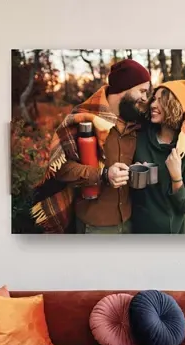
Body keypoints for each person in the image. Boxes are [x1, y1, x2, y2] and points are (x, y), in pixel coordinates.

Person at [29, 59, 151, 233]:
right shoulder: (83, 120)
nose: (145, 98)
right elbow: (61, 170)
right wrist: (104, 175)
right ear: (125, 87)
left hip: (129, 222)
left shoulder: (136, 123)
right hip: (95, 226)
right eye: (142, 91)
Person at [131, 79, 185, 234]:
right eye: (154, 99)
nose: (152, 105)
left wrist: (176, 177)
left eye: (161, 101)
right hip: (138, 229)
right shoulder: (140, 137)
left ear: (174, 107)